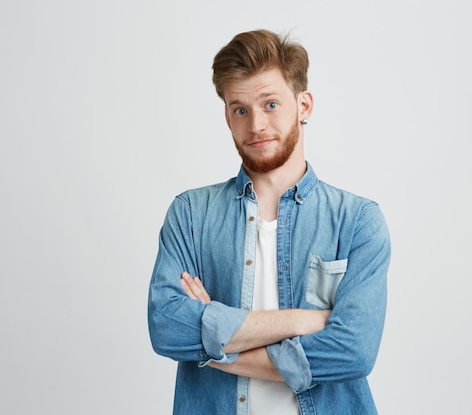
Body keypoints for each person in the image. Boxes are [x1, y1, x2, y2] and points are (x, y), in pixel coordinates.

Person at [148, 29, 391, 415]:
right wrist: (305, 321)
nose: (256, 124)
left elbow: (353, 351)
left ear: (304, 105)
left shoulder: (357, 220)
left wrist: (214, 348)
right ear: (227, 116)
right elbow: (167, 327)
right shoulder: (191, 214)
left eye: (271, 104)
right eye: (240, 109)